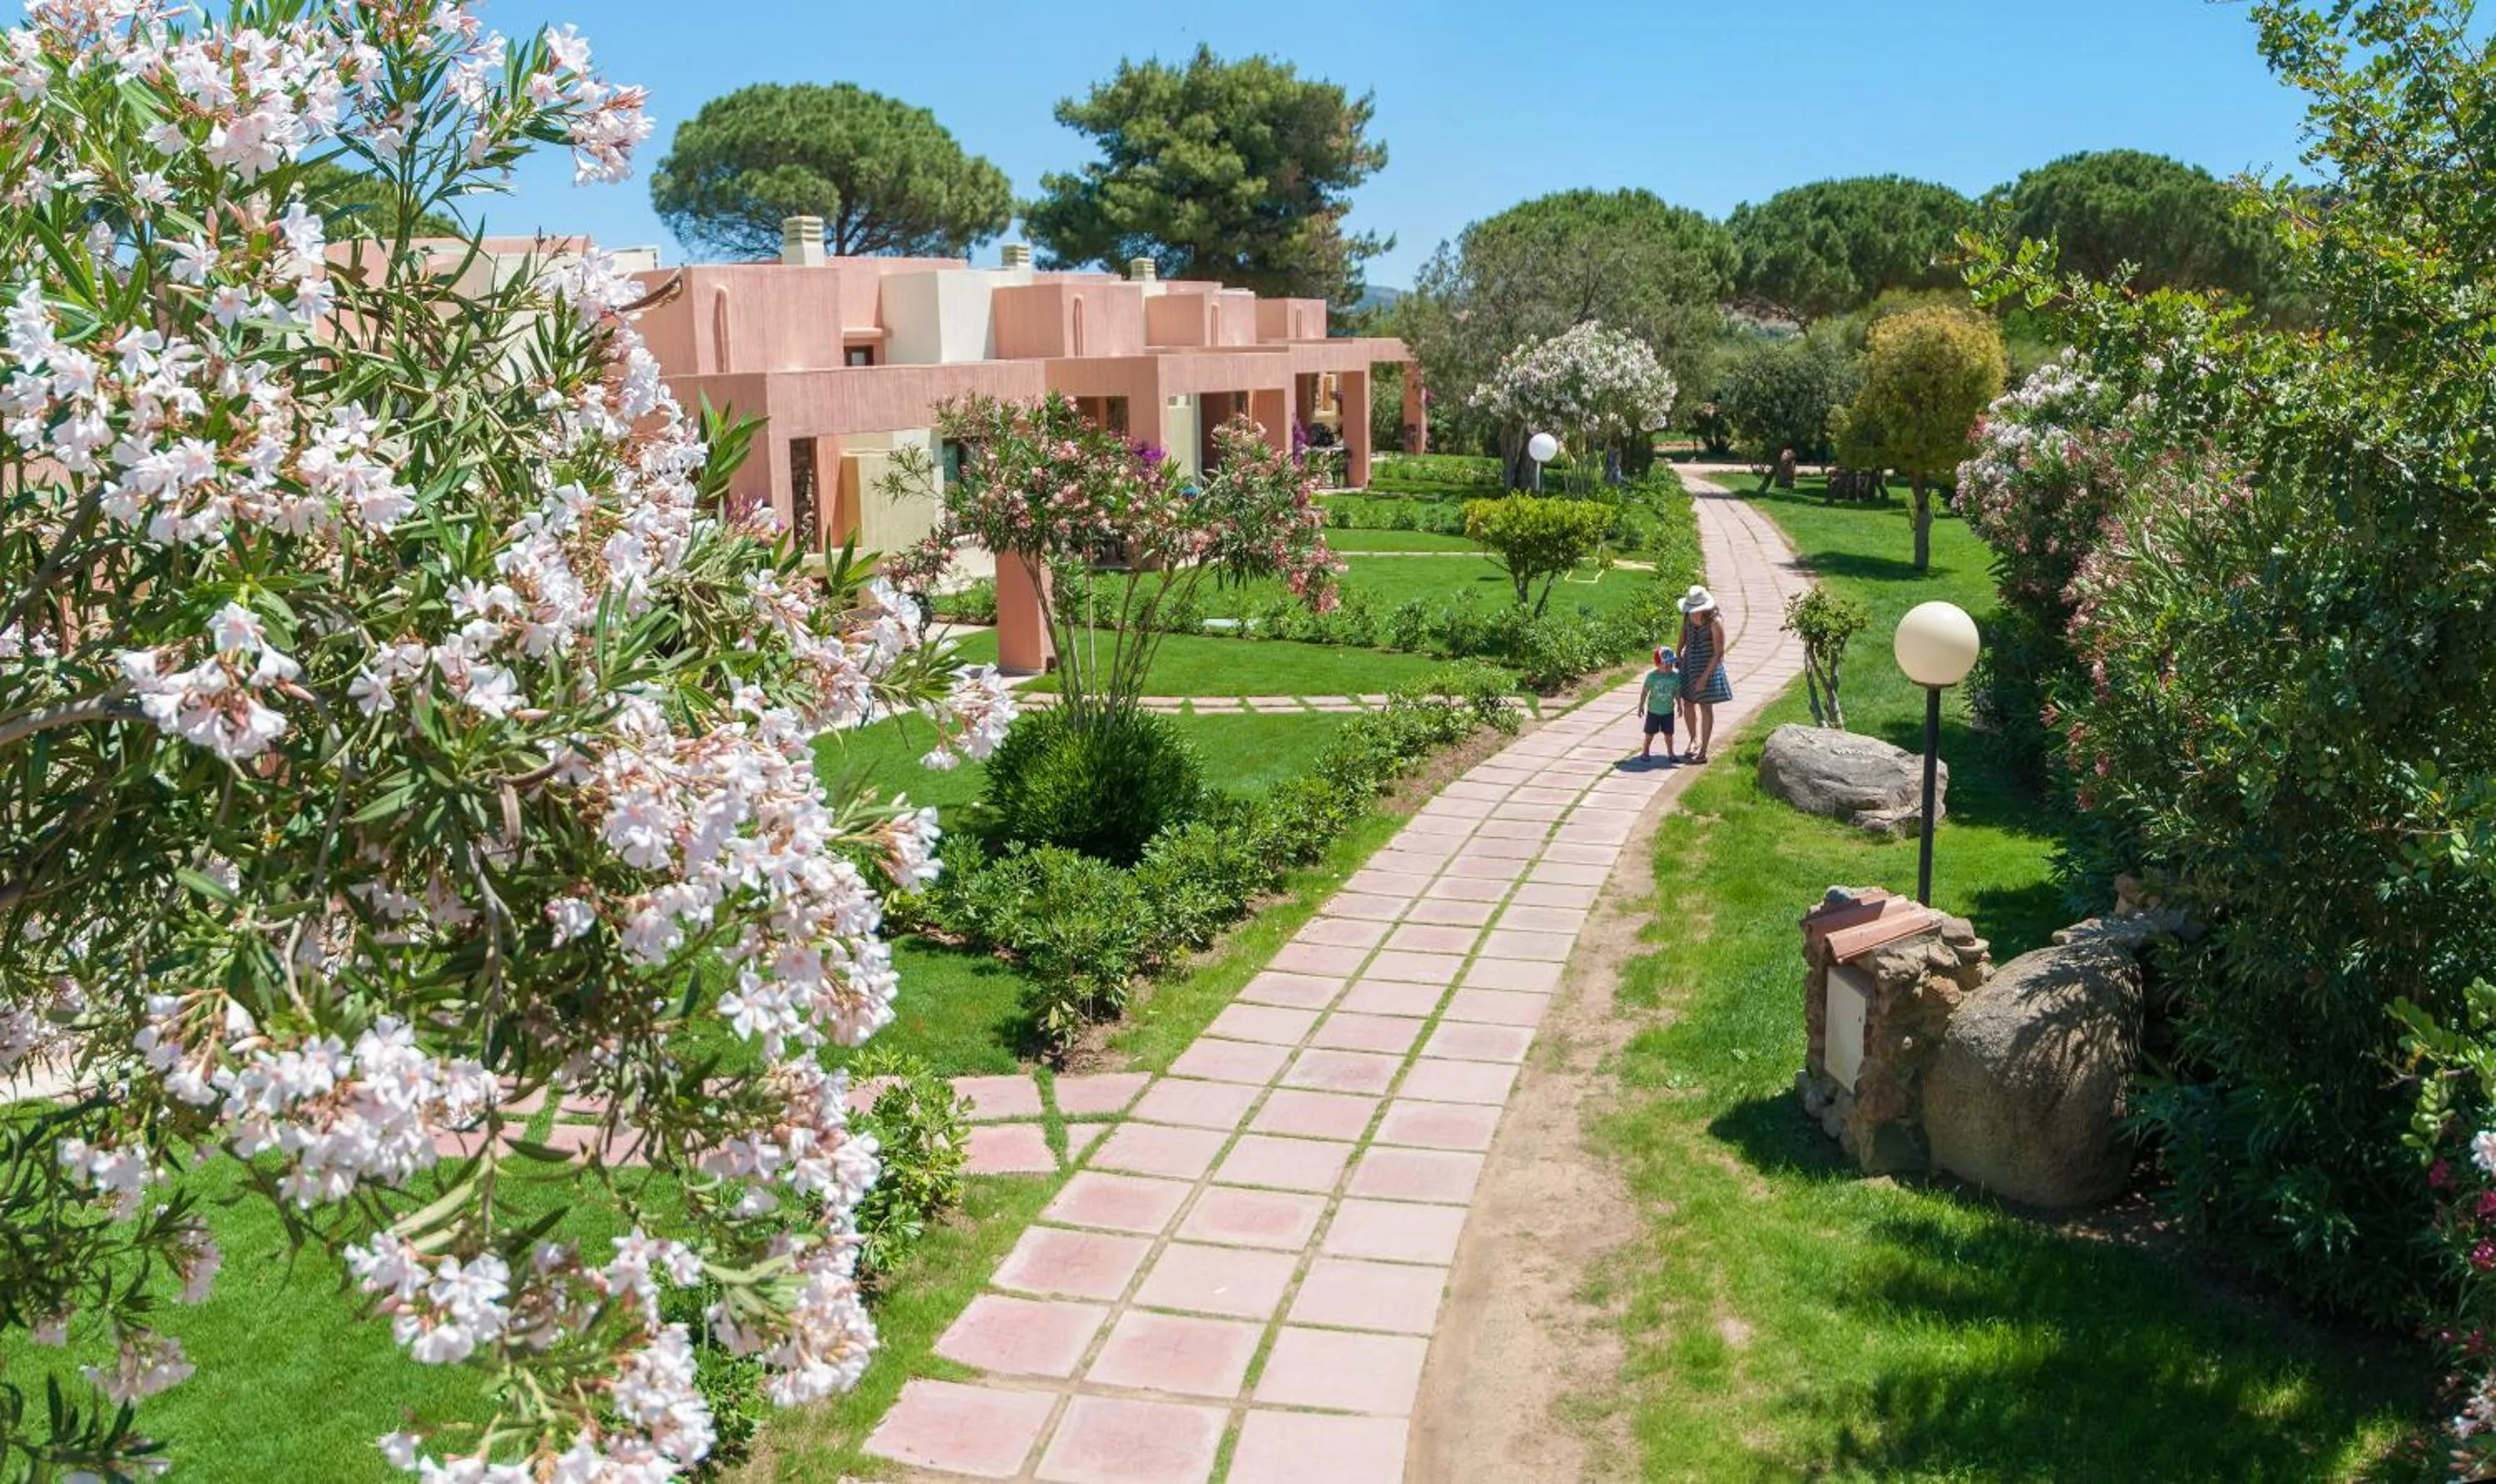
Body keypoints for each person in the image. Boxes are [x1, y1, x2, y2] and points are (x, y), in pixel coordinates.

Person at [1676, 585, 1734, 762]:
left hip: (1707, 666)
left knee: (1705, 706)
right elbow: (1683, 635)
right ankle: (1694, 739)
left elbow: (1719, 653)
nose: (1692, 613)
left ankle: (1704, 751)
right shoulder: (1688, 617)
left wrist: (1704, 678)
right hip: (1689, 663)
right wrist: (1678, 654)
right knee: (1688, 702)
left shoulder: (1715, 622)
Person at [1632, 645, 1682, 761]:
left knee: (1669, 735)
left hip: (1668, 711)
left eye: (1671, 664)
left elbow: (1677, 692)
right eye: (1666, 664)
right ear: (1658, 664)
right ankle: (1645, 751)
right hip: (1653, 711)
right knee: (1649, 734)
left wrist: (1680, 705)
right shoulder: (1652, 677)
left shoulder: (1674, 677)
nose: (1669, 667)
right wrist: (1641, 706)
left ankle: (1671, 753)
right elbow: (1645, 692)